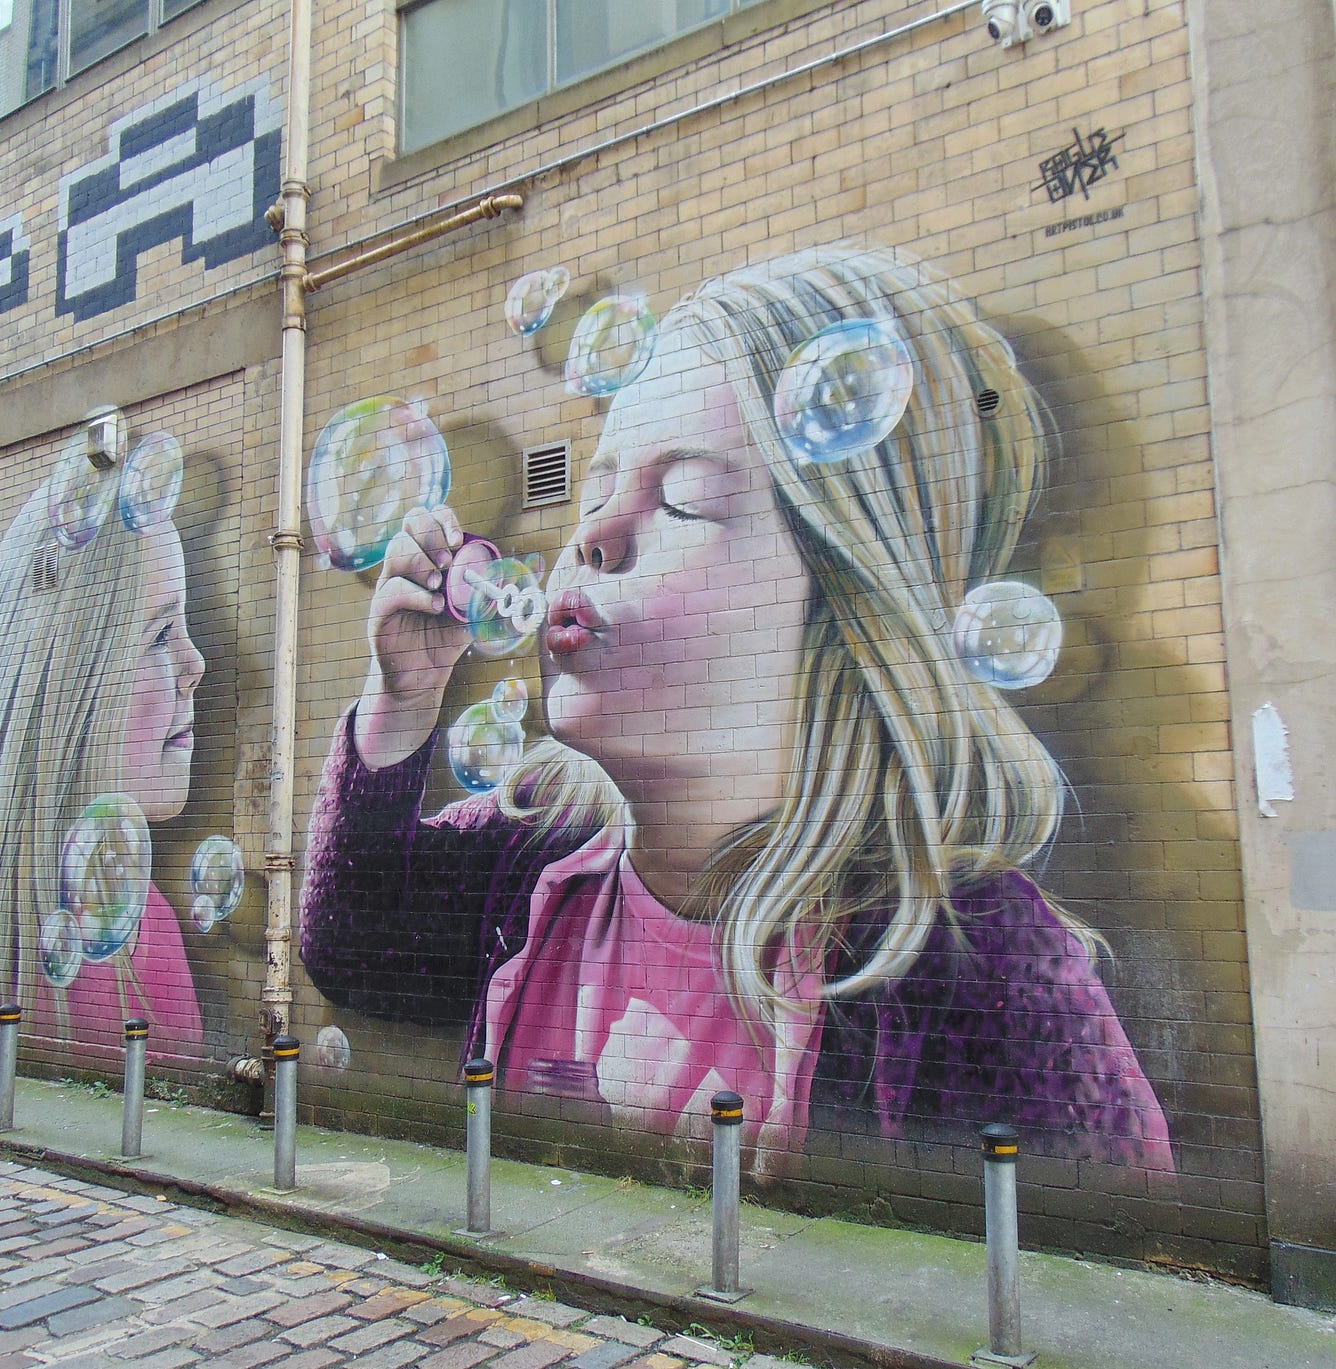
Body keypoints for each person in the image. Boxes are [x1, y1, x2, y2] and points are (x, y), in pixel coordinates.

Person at [299, 243, 1175, 1171]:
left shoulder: (971, 959)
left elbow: (1116, 1226)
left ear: (841, 603)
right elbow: (355, 945)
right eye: (597, 489)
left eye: (681, 501)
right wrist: (401, 703)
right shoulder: (536, 842)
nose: (591, 535)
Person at [0, 464, 206, 1054]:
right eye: (162, 635)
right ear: (67, 690)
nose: (196, 665)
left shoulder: (142, 922)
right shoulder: (135, 940)